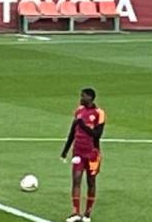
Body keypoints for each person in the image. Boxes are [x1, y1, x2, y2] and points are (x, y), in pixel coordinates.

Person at [61, 87, 106, 222]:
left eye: (83, 96)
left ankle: (87, 213)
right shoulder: (79, 111)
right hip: (78, 152)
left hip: (92, 154)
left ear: (91, 98)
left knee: (91, 182)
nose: (81, 98)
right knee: (76, 180)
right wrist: (65, 150)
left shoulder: (99, 113)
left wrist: (84, 125)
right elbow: (72, 131)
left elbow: (97, 135)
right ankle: (75, 212)